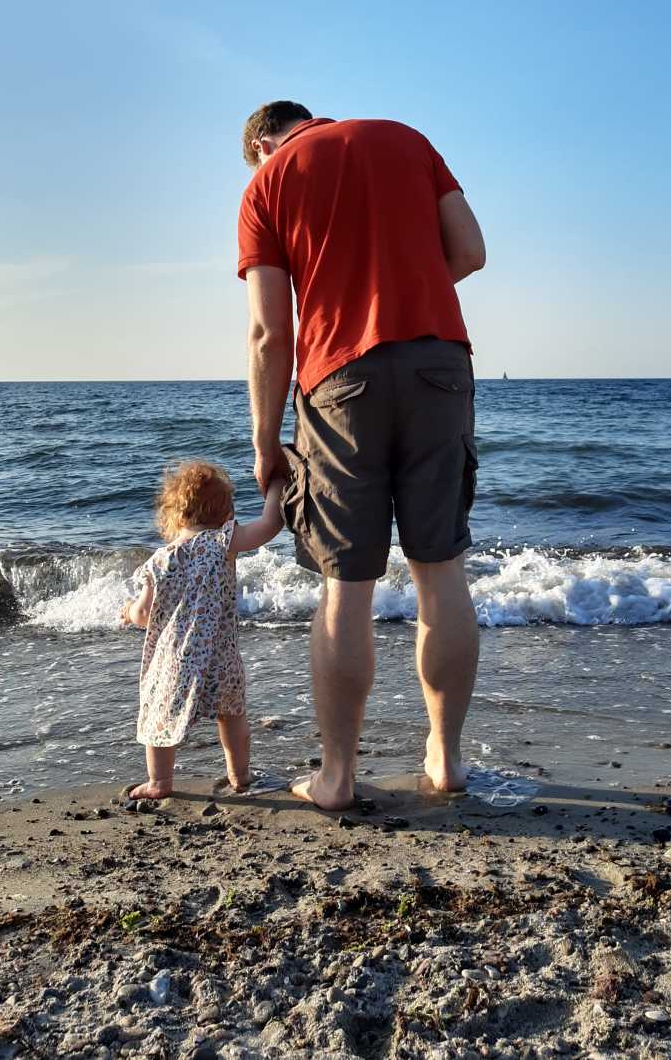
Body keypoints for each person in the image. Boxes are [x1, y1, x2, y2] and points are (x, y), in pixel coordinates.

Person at [237, 103, 486, 810]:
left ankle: (338, 775)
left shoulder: (267, 183)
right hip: (440, 361)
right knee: (440, 572)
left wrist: (264, 439)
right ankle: (446, 759)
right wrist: (404, 284)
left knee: (346, 585)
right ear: (312, 117)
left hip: (339, 378)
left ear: (261, 143)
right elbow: (470, 251)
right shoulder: (408, 138)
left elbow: (268, 332)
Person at [120, 460, 283, 800]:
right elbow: (269, 525)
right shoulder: (224, 542)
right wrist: (277, 484)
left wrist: (128, 613)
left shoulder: (162, 560)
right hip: (222, 655)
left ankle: (160, 782)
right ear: (226, 513)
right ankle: (239, 776)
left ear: (175, 515)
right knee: (232, 716)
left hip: (175, 658)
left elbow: (144, 613)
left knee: (159, 717)